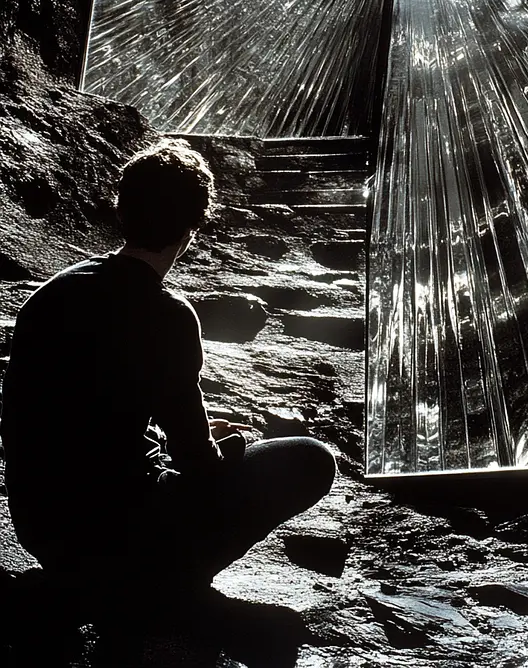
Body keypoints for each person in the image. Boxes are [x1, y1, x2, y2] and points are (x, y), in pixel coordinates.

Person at [0, 139, 336, 603]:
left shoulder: (52, 292)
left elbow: (61, 415)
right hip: (123, 538)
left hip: (42, 530)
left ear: (121, 210)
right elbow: (199, 466)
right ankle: (168, 580)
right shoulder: (168, 313)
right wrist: (230, 448)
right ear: (191, 231)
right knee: (310, 457)